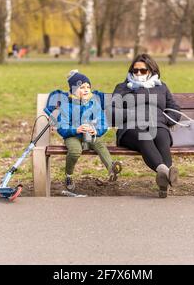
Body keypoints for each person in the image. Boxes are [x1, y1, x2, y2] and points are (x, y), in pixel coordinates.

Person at [112, 54, 181, 198]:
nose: (138, 73)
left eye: (142, 71)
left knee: (162, 137)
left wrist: (163, 118)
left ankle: (163, 181)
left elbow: (174, 109)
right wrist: (134, 114)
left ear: (151, 70)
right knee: (145, 137)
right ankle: (166, 172)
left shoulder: (161, 87)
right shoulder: (123, 88)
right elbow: (112, 112)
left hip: (157, 124)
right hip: (131, 128)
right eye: (134, 70)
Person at [57, 70, 122, 191]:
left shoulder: (94, 104)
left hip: (89, 134)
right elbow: (61, 126)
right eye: (82, 87)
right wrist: (75, 129)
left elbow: (103, 121)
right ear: (73, 90)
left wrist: (96, 130)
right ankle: (68, 175)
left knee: (100, 144)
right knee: (75, 151)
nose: (86, 89)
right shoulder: (67, 105)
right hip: (73, 135)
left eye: (88, 87)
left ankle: (112, 169)